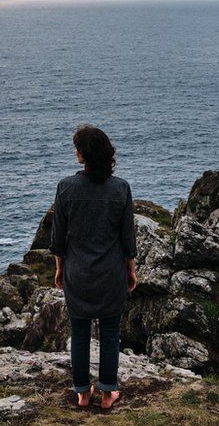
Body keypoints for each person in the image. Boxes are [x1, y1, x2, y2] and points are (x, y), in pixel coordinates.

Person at [50, 124, 138, 409]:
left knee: (80, 332)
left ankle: (82, 393)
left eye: (77, 147)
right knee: (111, 334)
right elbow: (128, 238)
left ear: (82, 155)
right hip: (111, 274)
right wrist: (131, 270)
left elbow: (58, 239)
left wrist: (60, 270)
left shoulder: (65, 187)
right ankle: (107, 394)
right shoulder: (121, 188)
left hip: (78, 273)